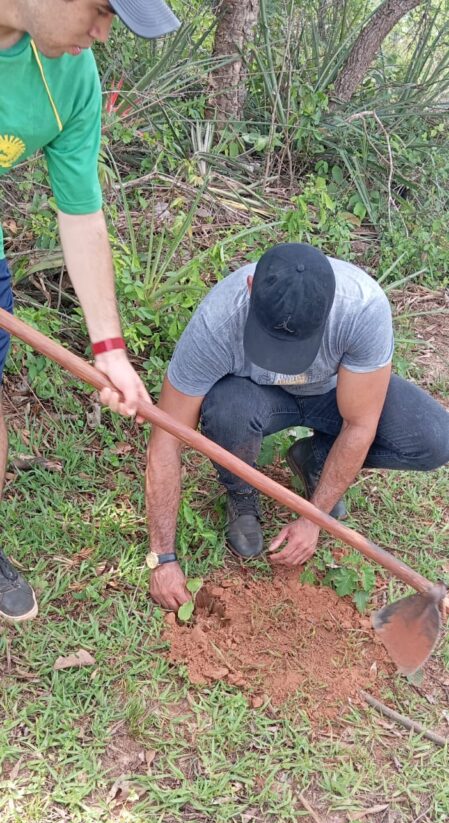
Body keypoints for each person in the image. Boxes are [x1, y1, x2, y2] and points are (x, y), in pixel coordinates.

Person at [145, 241, 449, 611]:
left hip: (334, 395)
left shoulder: (362, 307)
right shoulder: (218, 322)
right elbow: (166, 439)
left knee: (433, 439)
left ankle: (315, 460)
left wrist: (314, 518)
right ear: (251, 287)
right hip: (258, 398)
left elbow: (359, 424)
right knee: (228, 410)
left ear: (330, 306)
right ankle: (242, 497)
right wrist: (162, 557)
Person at [0, 0, 180, 621]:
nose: (101, 35)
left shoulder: (71, 77)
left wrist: (111, 350)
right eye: (101, 10)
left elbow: (80, 212)